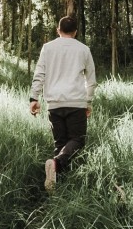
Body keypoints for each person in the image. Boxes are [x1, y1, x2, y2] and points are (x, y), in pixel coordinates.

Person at [29, 15, 96, 193]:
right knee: (78, 140)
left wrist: (34, 98)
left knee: (60, 144)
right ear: (75, 32)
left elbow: (39, 74)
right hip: (76, 103)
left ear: (58, 30)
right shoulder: (83, 49)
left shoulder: (48, 48)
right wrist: (88, 102)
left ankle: (58, 186)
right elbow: (91, 81)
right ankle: (56, 164)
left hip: (54, 103)